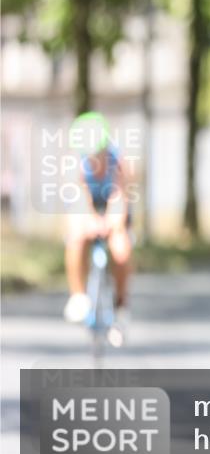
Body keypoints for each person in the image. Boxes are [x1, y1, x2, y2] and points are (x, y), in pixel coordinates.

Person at [62, 111, 132, 347]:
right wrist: (89, 221)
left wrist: (112, 223)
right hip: (86, 207)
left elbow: (119, 199)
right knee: (76, 237)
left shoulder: (117, 162)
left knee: (121, 249)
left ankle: (121, 306)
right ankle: (78, 295)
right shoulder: (77, 164)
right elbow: (79, 199)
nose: (92, 158)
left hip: (111, 209)